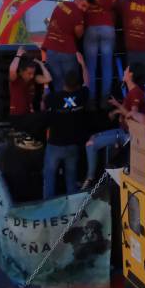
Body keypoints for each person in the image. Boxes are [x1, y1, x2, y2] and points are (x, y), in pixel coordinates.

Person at [82, 0, 125, 106]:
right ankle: (104, 101)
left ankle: (91, 101)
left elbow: (82, 1)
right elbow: (114, 7)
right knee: (107, 66)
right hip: (107, 28)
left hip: (90, 28)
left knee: (90, 67)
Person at [43, 70, 89, 198]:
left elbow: (43, 105)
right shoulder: (82, 96)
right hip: (72, 145)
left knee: (49, 178)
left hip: (55, 145)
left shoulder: (53, 98)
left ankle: (48, 207)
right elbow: (87, 83)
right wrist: (83, 65)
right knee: (71, 179)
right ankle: (73, 210)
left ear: (64, 82)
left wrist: (46, 86)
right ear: (78, 85)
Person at [42, 0, 94, 86]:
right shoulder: (78, 13)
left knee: (57, 83)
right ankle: (70, 101)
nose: (84, 10)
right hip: (67, 51)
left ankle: (59, 101)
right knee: (71, 83)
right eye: (84, 5)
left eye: (86, 8)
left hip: (51, 49)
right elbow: (79, 34)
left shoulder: (60, 5)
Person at [8, 50, 51, 117]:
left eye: (33, 73)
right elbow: (12, 70)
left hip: (28, 114)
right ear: (21, 71)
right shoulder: (15, 80)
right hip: (17, 115)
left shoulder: (33, 79)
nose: (32, 76)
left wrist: (41, 64)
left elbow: (48, 79)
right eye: (29, 73)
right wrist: (18, 55)